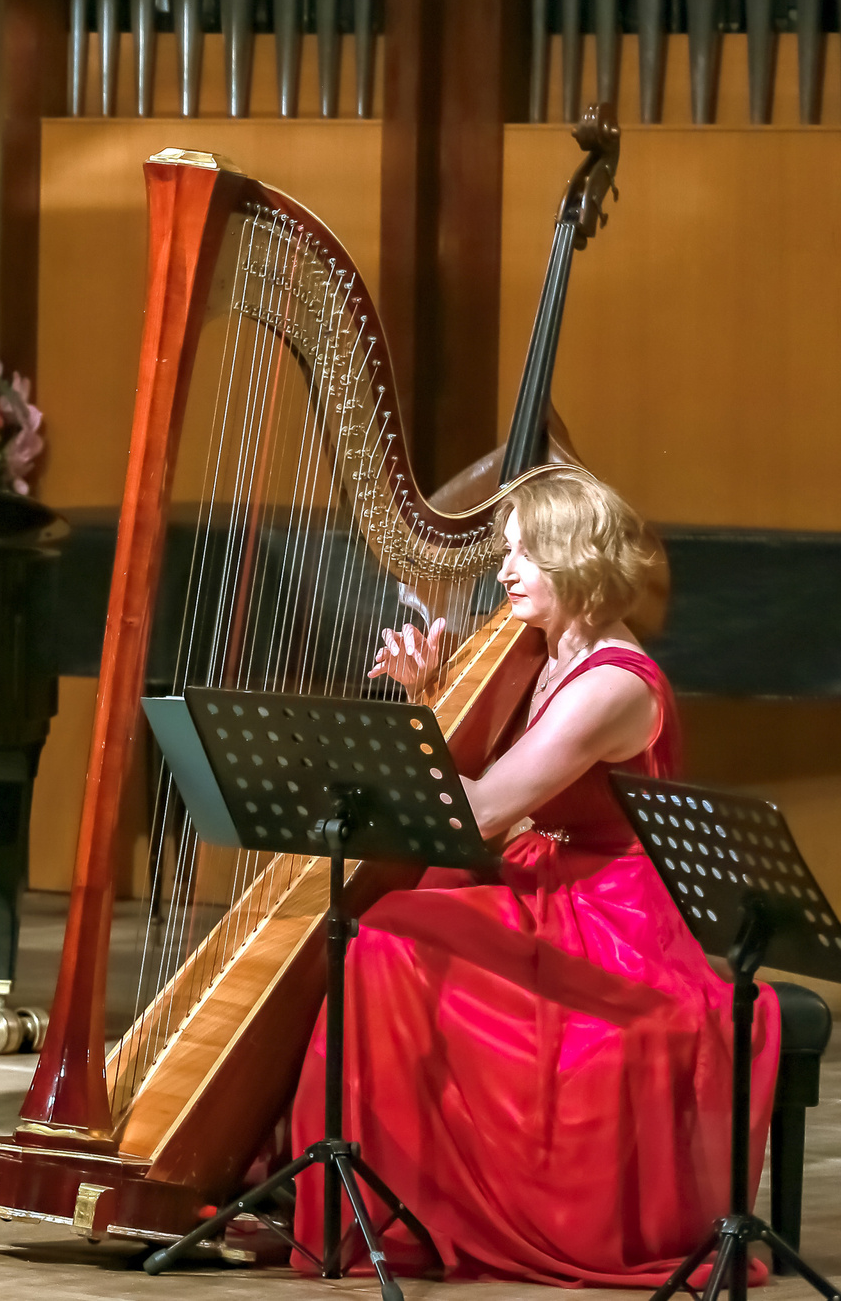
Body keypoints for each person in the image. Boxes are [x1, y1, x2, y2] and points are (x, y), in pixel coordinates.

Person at [296, 466, 775, 1283]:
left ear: (579, 560)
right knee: (385, 936)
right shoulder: (540, 650)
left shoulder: (614, 686)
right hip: (544, 873)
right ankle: (398, 1191)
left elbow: (479, 812)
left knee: (384, 942)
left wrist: (412, 731)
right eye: (507, 553)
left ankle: (438, 1202)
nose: (505, 572)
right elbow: (483, 805)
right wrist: (428, 695)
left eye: (525, 555)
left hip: (615, 912)